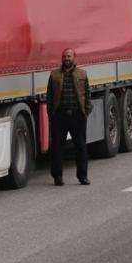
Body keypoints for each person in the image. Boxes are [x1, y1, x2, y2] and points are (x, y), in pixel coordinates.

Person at [47, 48, 92, 186]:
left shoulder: (82, 74)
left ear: (74, 57)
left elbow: (87, 94)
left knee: (81, 147)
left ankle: (83, 176)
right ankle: (57, 176)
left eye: (69, 56)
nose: (66, 58)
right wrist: (51, 114)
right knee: (57, 147)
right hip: (60, 116)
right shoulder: (54, 75)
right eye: (64, 56)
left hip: (77, 116)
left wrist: (86, 111)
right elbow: (49, 96)